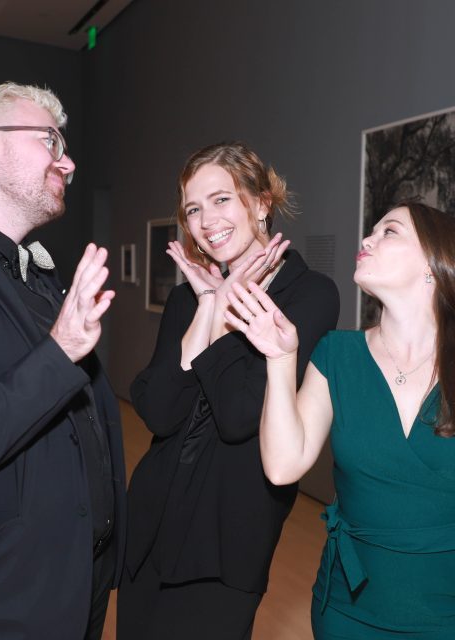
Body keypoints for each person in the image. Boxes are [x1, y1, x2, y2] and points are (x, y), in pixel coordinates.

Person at [117, 142, 339, 639]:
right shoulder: (188, 297)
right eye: (193, 209)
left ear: (261, 203)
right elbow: (160, 412)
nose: (205, 221)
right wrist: (209, 307)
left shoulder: (308, 294)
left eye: (221, 199)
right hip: (149, 523)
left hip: (225, 541)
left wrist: (221, 312)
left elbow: (238, 415)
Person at [225, 200, 455, 638]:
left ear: (432, 263)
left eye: (389, 231)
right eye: (372, 230)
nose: (368, 238)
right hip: (349, 610)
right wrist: (280, 359)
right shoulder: (337, 354)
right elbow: (283, 466)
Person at [0, 82, 126, 639]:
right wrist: (60, 351)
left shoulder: (39, 276)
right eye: (50, 141)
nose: (68, 161)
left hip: (80, 580)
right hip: (7, 598)